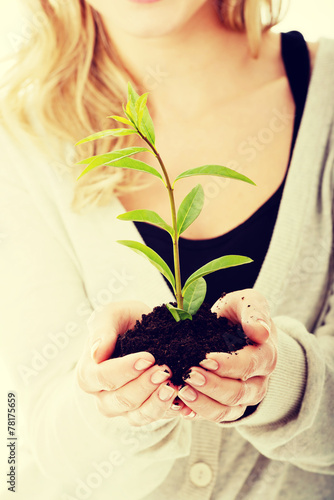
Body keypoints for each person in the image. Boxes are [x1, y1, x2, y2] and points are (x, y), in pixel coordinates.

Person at [0, 0, 333, 498]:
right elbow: (19, 443)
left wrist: (281, 380)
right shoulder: (20, 139)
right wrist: (110, 407)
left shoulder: (323, 97)